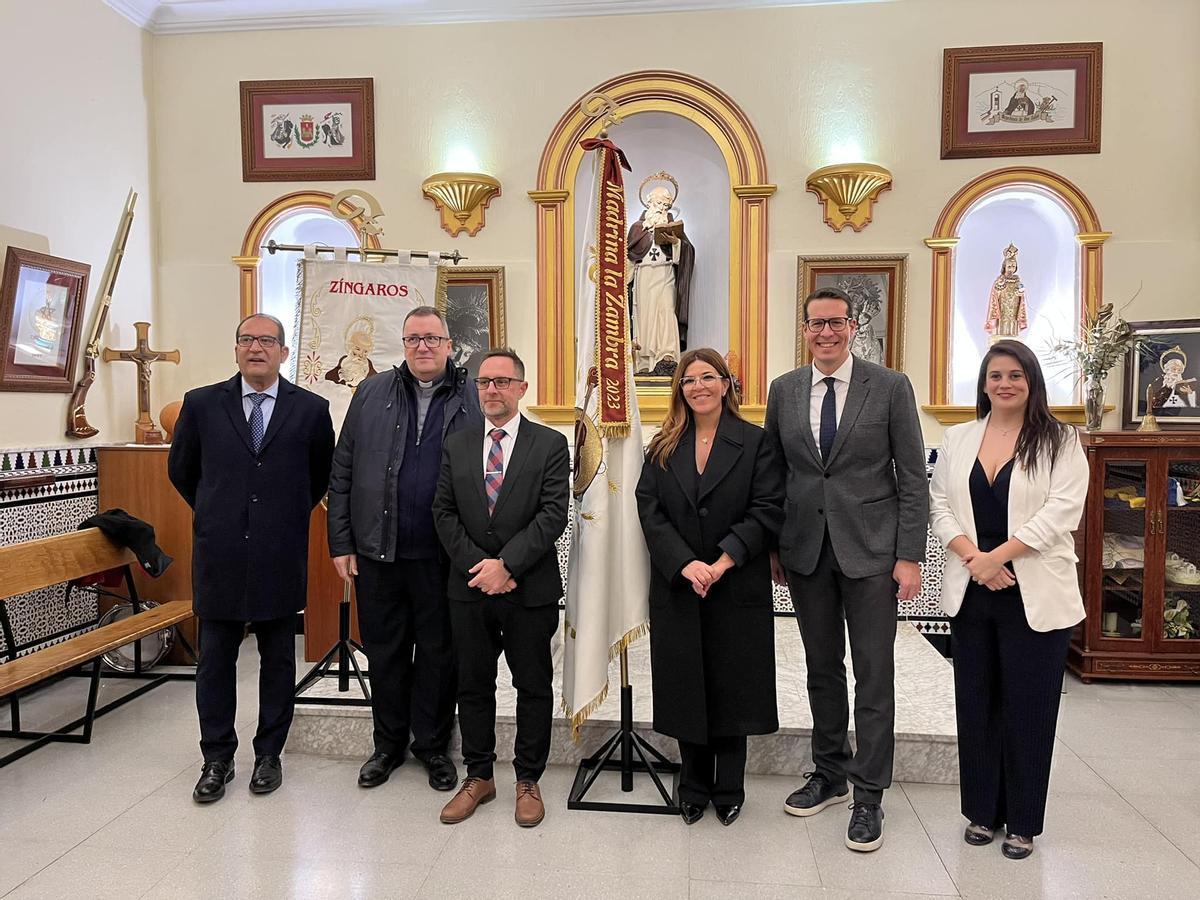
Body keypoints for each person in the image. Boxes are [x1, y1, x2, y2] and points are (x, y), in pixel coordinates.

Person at [764, 287, 928, 852]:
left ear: (853, 326)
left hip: (873, 554)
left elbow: (912, 476)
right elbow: (776, 474)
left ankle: (869, 793)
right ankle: (829, 772)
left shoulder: (889, 386)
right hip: (806, 551)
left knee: (873, 673)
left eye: (835, 323)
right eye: (815, 324)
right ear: (804, 328)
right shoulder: (783, 391)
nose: (825, 332)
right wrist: (775, 546)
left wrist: (910, 556)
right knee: (821, 668)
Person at [929, 339, 1088, 860]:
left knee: (1029, 708)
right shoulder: (958, 438)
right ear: (983, 383)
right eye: (996, 375)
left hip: (1034, 592)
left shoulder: (1060, 440)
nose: (1005, 384)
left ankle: (1021, 821)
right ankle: (981, 811)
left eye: (1015, 375)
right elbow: (939, 506)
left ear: (1031, 381)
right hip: (973, 591)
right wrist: (976, 559)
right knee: (976, 704)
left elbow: (1062, 511)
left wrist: (1001, 557)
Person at [168, 313, 334, 803]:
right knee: (214, 661)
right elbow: (183, 472)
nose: (255, 348)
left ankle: (269, 754)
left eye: (266, 341)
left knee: (278, 659)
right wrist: (221, 513)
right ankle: (216, 758)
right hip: (218, 555)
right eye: (246, 339)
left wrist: (276, 519)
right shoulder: (200, 405)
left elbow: (316, 476)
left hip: (279, 554)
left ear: (284, 352)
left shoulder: (311, 409)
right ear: (235, 349)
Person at [327, 306, 482, 792]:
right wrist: (341, 542)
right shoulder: (371, 393)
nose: (423, 347)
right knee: (386, 653)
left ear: (449, 344)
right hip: (379, 553)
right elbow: (343, 470)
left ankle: (433, 747)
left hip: (444, 555)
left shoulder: (474, 396)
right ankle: (387, 744)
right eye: (414, 338)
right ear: (404, 343)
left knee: (440, 654)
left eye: (433, 339)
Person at [635, 348, 783, 827]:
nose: (697, 387)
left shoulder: (756, 442)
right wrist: (685, 564)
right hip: (680, 586)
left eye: (707, 377)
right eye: (688, 380)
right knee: (686, 687)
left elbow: (767, 509)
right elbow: (649, 510)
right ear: (679, 389)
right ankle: (693, 784)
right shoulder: (661, 446)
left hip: (735, 583)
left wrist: (719, 563)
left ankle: (729, 786)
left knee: (732, 686)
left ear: (725, 384)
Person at [432, 348, 570, 828]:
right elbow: (443, 513)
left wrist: (507, 564)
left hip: (529, 589)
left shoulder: (550, 443)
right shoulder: (457, 444)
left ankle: (528, 778)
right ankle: (480, 775)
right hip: (469, 589)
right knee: (473, 684)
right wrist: (481, 566)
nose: (492, 389)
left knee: (533, 684)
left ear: (521, 388)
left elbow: (553, 514)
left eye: (502, 382)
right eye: (485, 382)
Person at [627, 183, 695, 374]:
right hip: (644, 274)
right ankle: (643, 361)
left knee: (666, 310)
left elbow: (688, 252)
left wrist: (676, 243)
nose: (662, 208)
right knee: (645, 316)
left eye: (666, 205)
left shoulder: (672, 225)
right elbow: (629, 255)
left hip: (665, 273)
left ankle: (667, 355)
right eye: (658, 203)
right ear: (649, 202)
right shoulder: (638, 228)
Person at [984, 244, 1028, 342]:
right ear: (1005, 267)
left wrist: (1021, 290)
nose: (1011, 268)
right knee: (1003, 321)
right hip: (1003, 304)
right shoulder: (1001, 279)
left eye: (1013, 266)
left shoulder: (1017, 280)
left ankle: (1013, 333)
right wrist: (1000, 285)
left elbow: (1021, 291)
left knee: (1013, 320)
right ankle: (1001, 333)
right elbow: (996, 290)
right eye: (1009, 266)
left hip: (1014, 305)